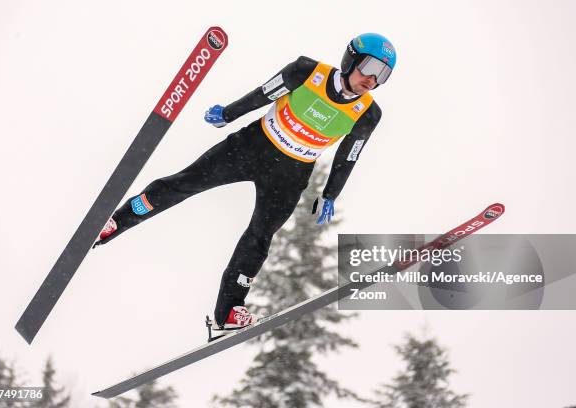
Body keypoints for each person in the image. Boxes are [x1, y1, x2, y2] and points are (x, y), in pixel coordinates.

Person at [93, 33, 396, 338]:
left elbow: (349, 156)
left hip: (291, 174)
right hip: (252, 148)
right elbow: (264, 94)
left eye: (382, 74)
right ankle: (113, 223)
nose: (372, 79)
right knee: (184, 184)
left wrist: (331, 194)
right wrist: (228, 113)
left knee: (260, 237)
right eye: (369, 67)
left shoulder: (368, 113)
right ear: (351, 59)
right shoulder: (307, 72)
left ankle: (227, 313)